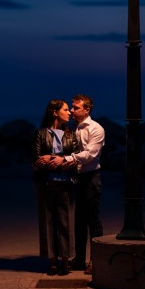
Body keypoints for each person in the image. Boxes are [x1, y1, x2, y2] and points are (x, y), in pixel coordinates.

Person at [50, 94, 105, 274]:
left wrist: (67, 159)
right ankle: (80, 260)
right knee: (79, 221)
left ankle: (96, 261)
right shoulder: (73, 128)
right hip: (77, 178)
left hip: (91, 177)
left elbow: (91, 154)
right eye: (71, 108)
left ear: (86, 109)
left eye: (76, 107)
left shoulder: (96, 129)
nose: (72, 111)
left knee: (93, 220)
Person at [33, 99, 79, 276]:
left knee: (66, 223)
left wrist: (51, 157)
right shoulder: (41, 133)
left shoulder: (70, 135)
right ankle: (52, 261)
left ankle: (65, 260)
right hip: (45, 183)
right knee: (48, 221)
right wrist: (59, 160)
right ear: (55, 112)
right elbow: (37, 160)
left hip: (66, 183)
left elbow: (73, 159)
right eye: (66, 110)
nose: (69, 113)